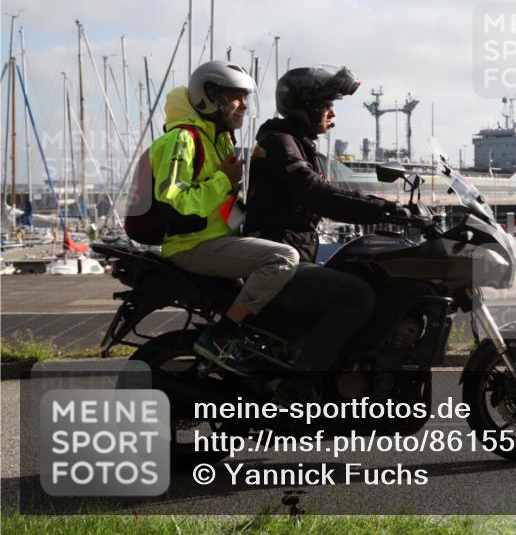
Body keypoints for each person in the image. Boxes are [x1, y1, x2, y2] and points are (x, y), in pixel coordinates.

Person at [150, 61, 299, 376]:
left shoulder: (218, 137)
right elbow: (174, 203)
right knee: (283, 258)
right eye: (236, 96)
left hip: (217, 240)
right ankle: (221, 337)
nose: (244, 105)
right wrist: (221, 180)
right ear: (210, 96)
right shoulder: (182, 139)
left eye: (246, 97)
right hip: (192, 244)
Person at [244, 66, 395, 373]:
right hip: (278, 261)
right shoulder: (280, 143)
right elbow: (316, 194)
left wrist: (388, 206)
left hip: (293, 255)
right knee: (357, 295)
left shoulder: (297, 143)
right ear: (307, 105)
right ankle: (303, 381)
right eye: (327, 105)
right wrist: (384, 211)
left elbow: (328, 192)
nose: (332, 115)